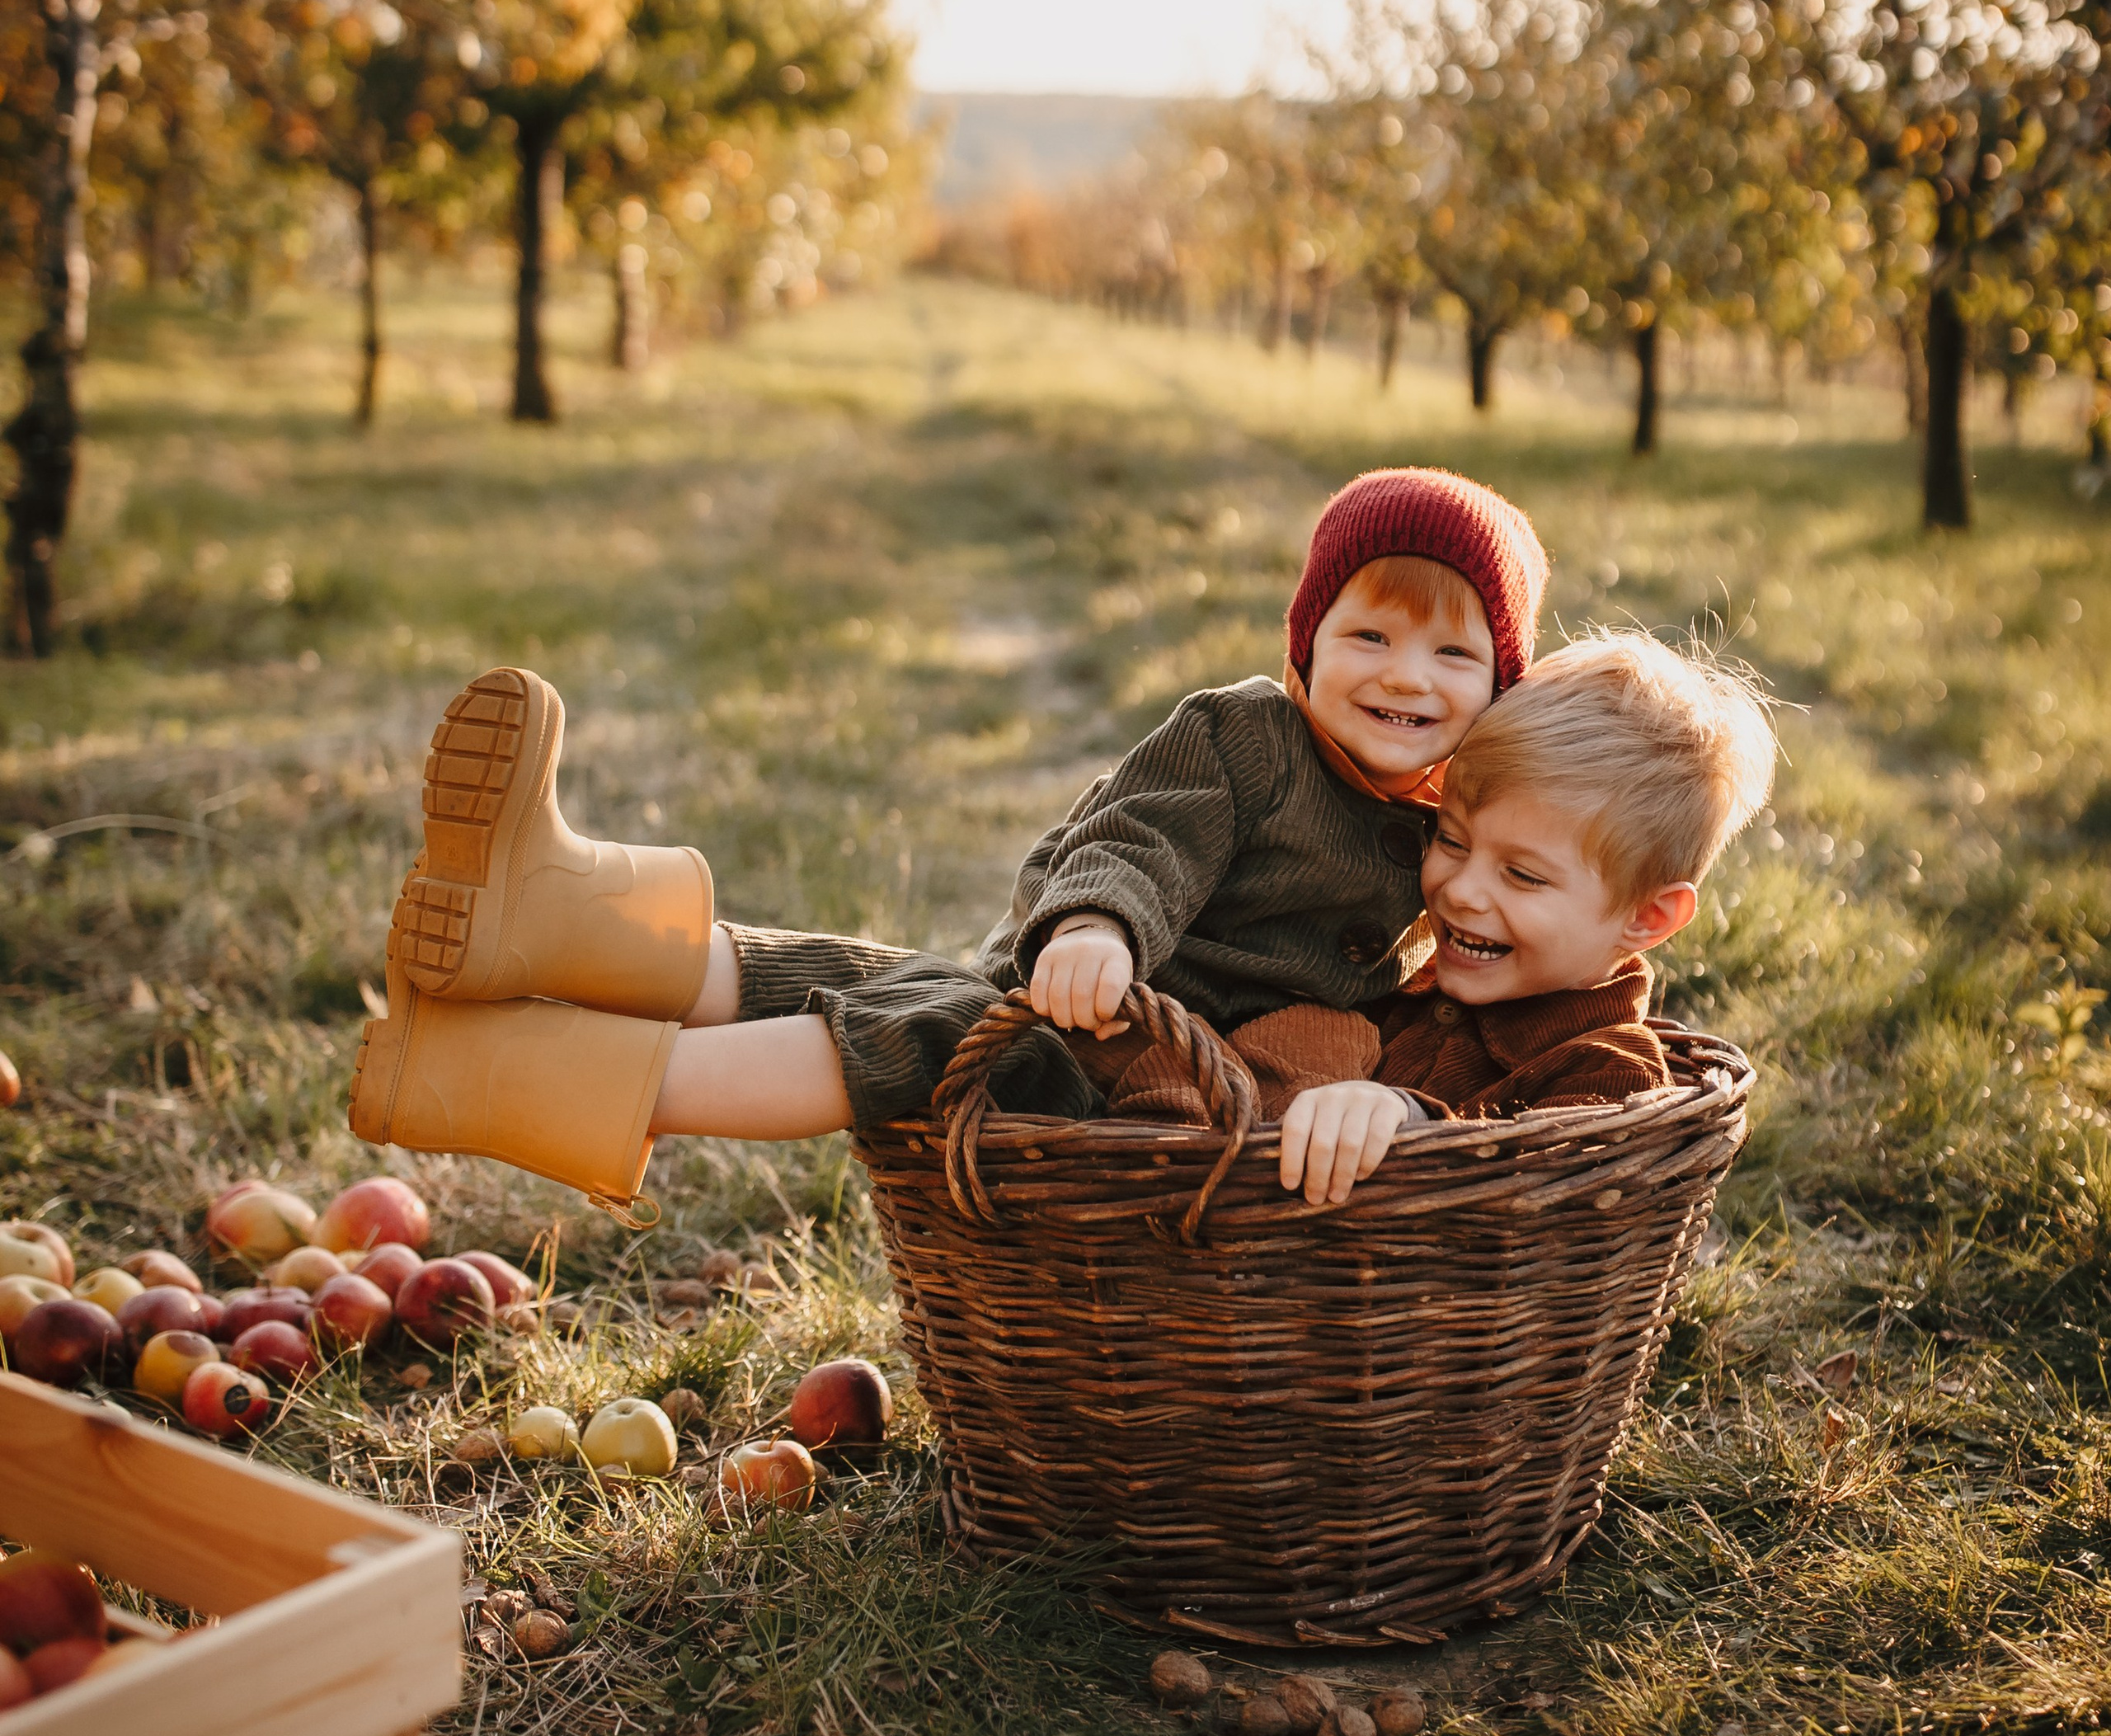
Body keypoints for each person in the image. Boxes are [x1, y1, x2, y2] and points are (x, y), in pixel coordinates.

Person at [348, 467, 1548, 1206]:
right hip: (1085, 1008)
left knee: (898, 1002)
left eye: (1455, 654)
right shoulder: (1246, 737)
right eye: (1370, 638)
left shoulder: (1446, 822)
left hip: (1148, 1103)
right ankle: (548, 917)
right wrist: (1094, 929)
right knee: (877, 999)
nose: (1409, 678)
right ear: (1304, 645)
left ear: (1501, 684)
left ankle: (515, 1070)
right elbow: (1140, 841)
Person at [1134, 628, 1777, 1204]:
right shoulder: (1390, 978)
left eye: (1523, 875)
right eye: (1450, 839)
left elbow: (1539, 1180)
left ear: (1647, 916)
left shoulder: (1610, 1071)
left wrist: (1408, 1119)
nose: (1462, 890)